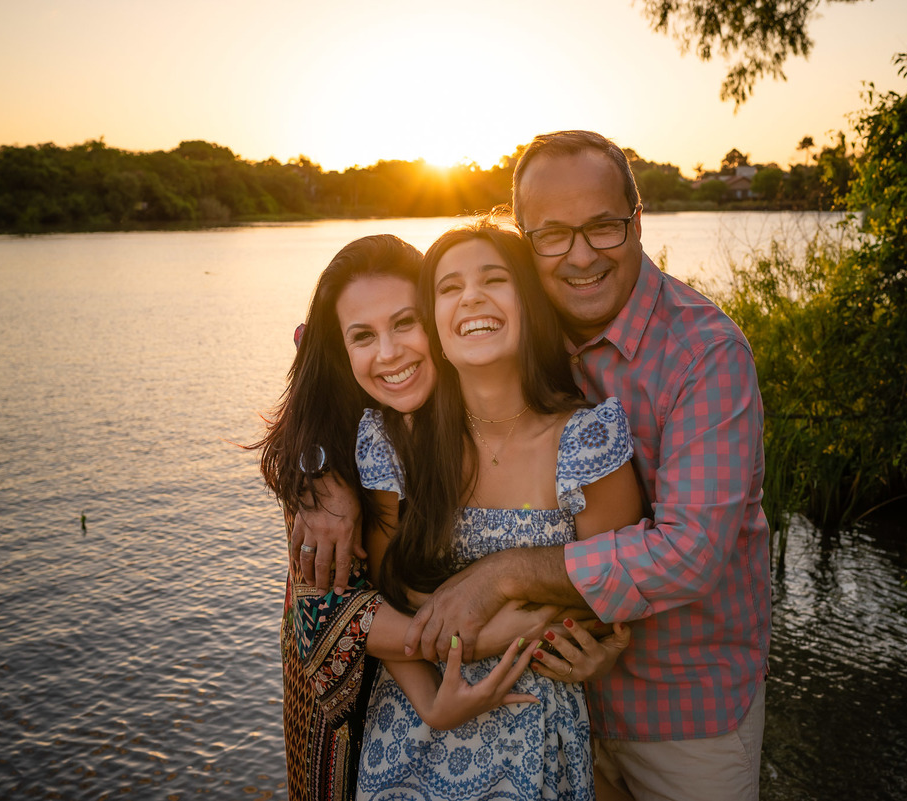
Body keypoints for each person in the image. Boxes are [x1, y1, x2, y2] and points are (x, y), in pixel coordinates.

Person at [399, 131, 772, 801]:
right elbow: (363, 357)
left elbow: (690, 552)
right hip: (545, 705)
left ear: (637, 220)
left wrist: (504, 575)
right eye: (552, 235)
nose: (580, 256)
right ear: (526, 240)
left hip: (682, 710)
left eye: (603, 227)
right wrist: (319, 483)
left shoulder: (705, 353)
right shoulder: (513, 323)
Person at [255, 234, 559, 800]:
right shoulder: (341, 441)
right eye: (363, 336)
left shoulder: (482, 392)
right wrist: (319, 472)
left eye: (405, 322)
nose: (390, 352)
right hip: (350, 708)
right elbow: (324, 615)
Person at [354, 218, 641, 800]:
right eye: (449, 287)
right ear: (433, 323)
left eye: (493, 279)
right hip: (410, 731)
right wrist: (441, 690)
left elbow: (612, 592)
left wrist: (595, 643)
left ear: (529, 302)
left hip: (537, 728)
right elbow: (376, 594)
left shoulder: (587, 440)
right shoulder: (395, 441)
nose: (471, 298)